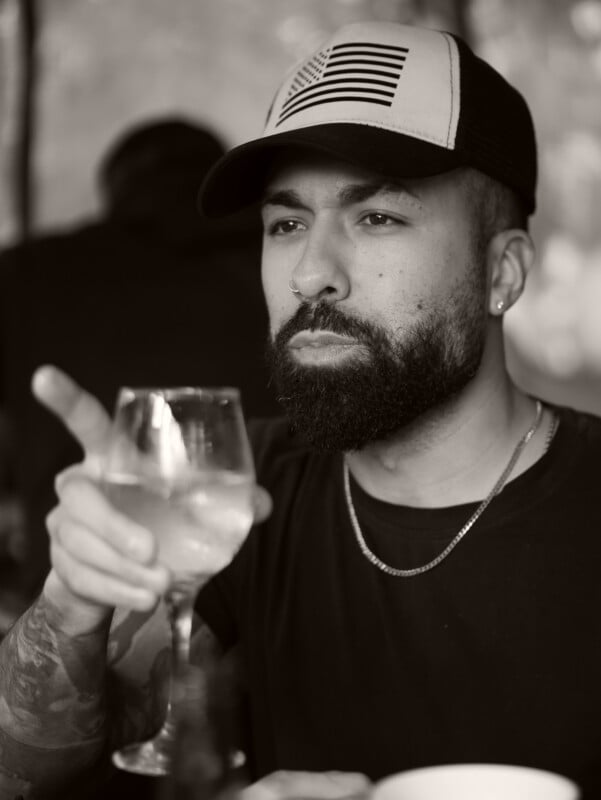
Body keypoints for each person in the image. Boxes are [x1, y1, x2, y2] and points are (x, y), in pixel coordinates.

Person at [1, 19, 600, 800]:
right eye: (286, 225)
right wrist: (72, 603)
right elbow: (23, 768)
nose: (311, 273)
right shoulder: (229, 487)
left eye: (377, 217)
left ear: (503, 272)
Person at [0, 117, 278, 618]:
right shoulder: (284, 263)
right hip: (283, 599)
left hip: (84, 599)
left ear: (117, 190)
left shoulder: (29, 273)